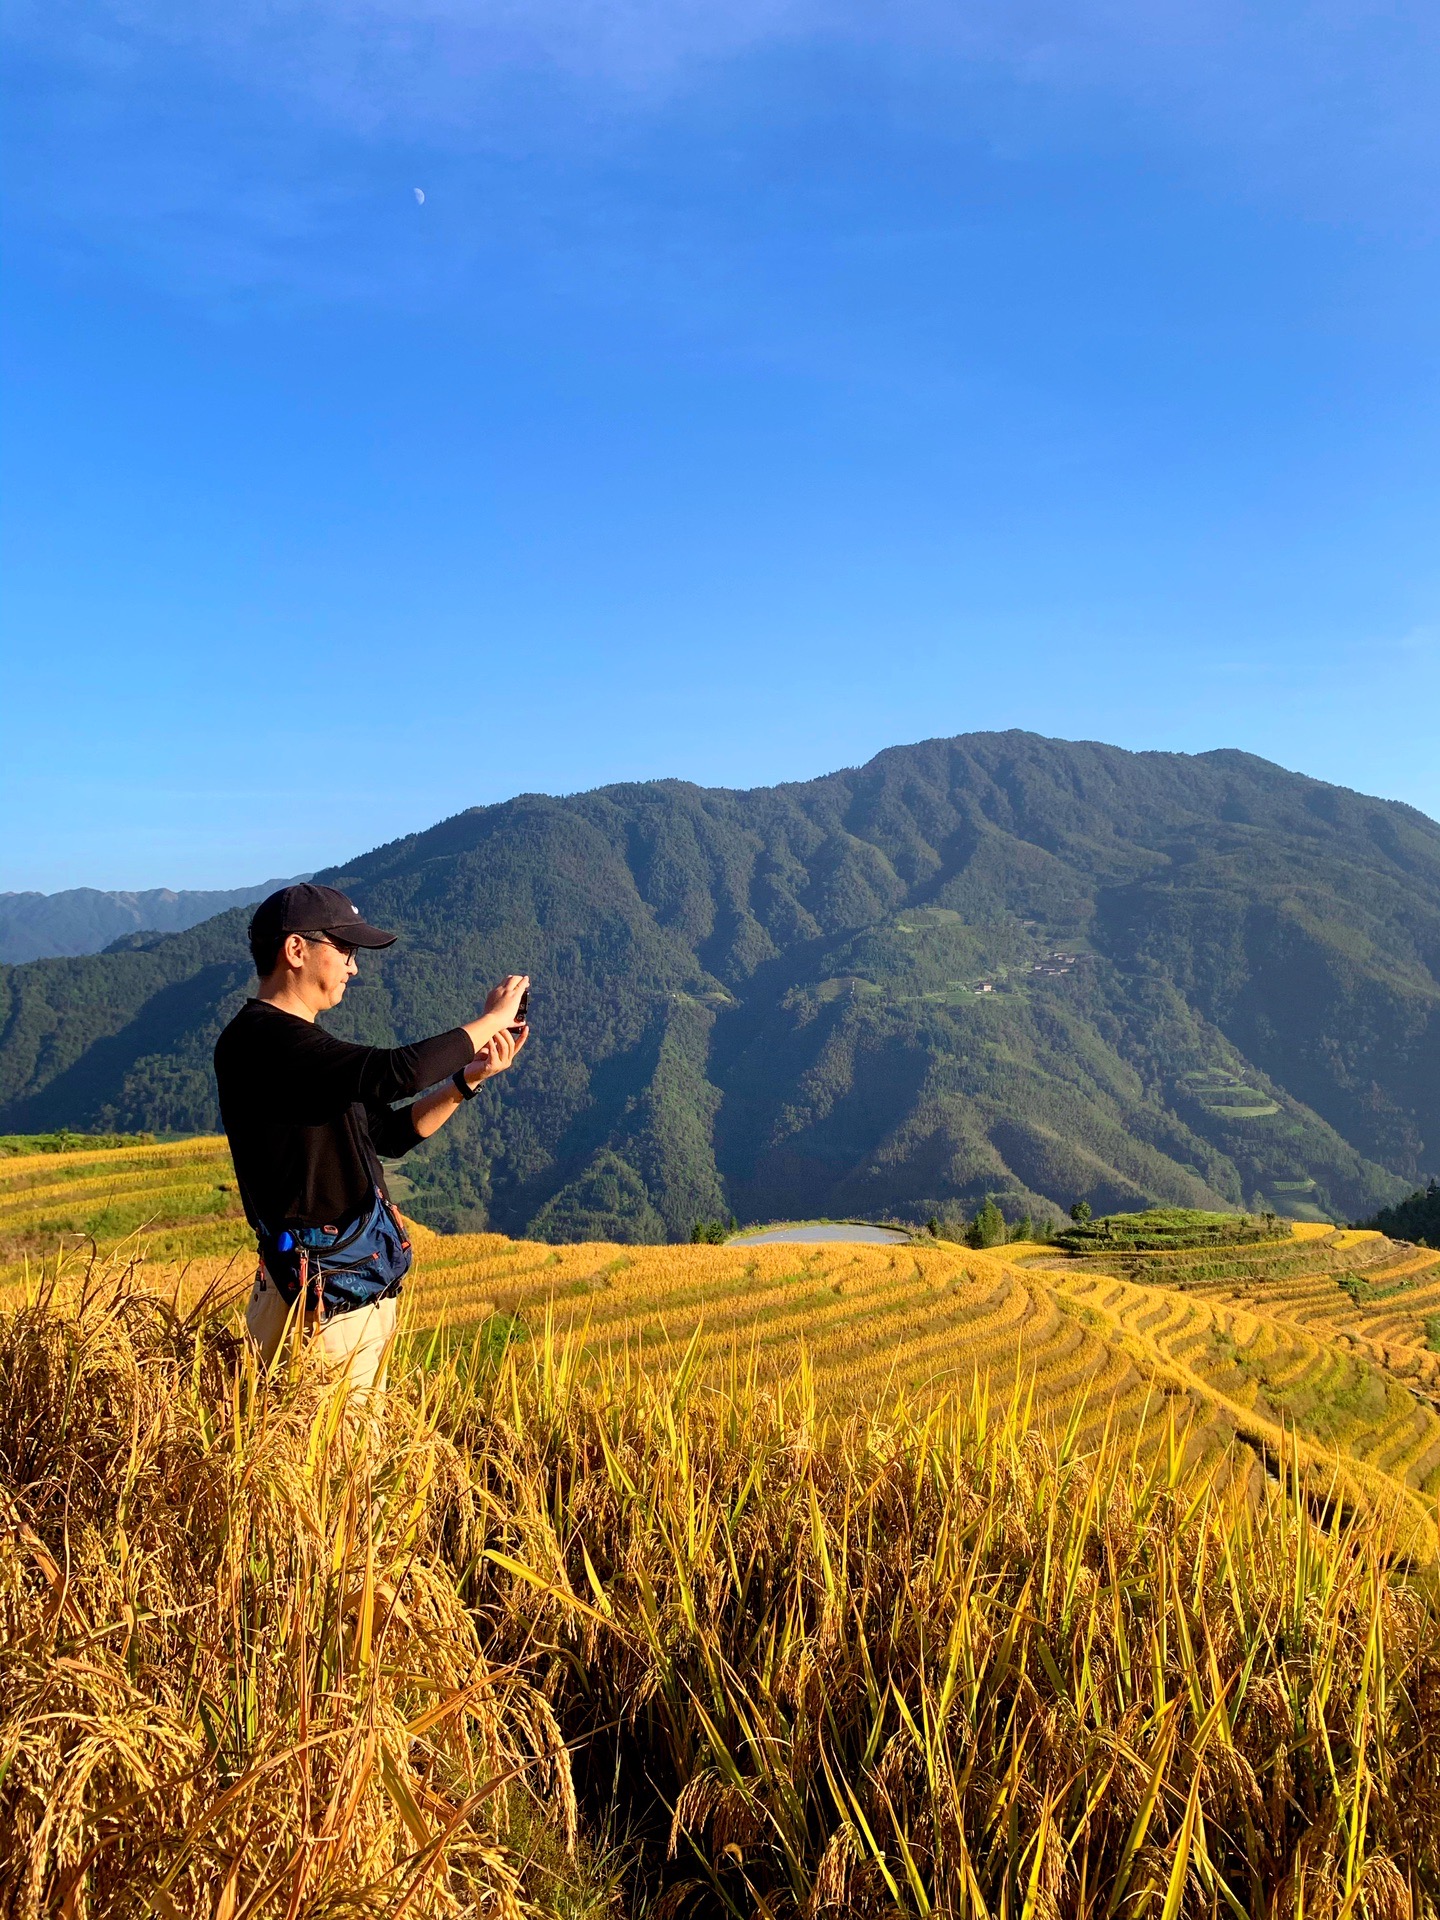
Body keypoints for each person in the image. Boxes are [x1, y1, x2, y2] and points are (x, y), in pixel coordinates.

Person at [213, 881, 529, 1393]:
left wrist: (466, 1080)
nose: (354, 967)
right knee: (333, 1461)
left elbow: (388, 1134)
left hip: (345, 1291)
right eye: (345, 949)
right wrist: (490, 1020)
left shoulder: (300, 1049)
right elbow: (396, 1073)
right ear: (296, 949)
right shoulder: (264, 1042)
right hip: (322, 1307)